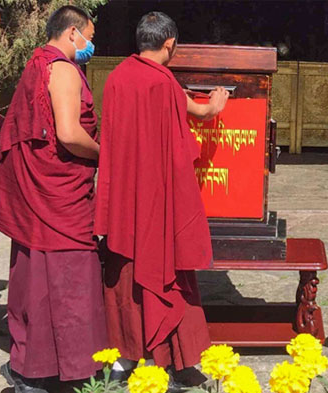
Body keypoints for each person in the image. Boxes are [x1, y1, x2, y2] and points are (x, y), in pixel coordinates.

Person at [94, 11, 229, 391]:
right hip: (159, 199)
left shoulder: (118, 77)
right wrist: (213, 109)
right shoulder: (164, 82)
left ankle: (124, 356)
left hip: (125, 198)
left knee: (124, 275)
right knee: (168, 273)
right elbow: (186, 138)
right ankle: (176, 360)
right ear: (169, 44)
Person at [0, 5, 107, 392]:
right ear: (72, 34)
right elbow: (68, 134)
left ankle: (28, 365)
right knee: (70, 282)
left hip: (43, 188)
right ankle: (65, 366)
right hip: (59, 195)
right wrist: (105, 153)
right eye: (89, 36)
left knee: (33, 281)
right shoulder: (63, 69)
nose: (91, 45)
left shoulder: (37, 63)